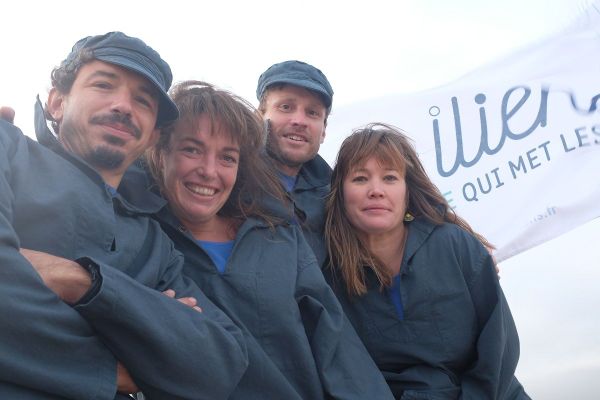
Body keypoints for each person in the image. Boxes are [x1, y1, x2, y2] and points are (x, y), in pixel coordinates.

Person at [0, 32, 248, 399]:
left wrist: (81, 282)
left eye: (143, 101)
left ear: (152, 137)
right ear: (57, 101)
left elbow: (219, 364)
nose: (124, 106)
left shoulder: (155, 243)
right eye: (103, 84)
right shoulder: (9, 151)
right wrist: (118, 364)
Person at [141, 80, 394, 399]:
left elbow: (337, 345)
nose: (209, 171)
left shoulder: (277, 235)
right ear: (160, 152)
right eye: (192, 149)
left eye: (227, 158)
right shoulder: (140, 242)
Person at [324, 123, 530, 399]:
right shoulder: (328, 275)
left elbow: (499, 346)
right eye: (360, 178)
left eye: (390, 178)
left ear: (408, 191)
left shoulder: (454, 245)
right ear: (341, 192)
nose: (376, 190)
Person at [256, 60, 333, 266]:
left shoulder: (337, 198)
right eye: (286, 107)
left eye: (312, 113)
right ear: (259, 116)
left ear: (323, 131)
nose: (299, 120)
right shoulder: (228, 183)